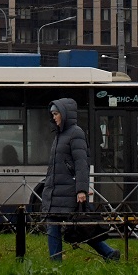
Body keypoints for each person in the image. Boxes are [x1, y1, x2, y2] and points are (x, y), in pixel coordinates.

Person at [41, 99, 119, 262]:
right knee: (62, 224)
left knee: (79, 225)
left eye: (56, 114)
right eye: (53, 114)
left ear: (64, 114)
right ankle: (109, 254)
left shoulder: (75, 133)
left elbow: (81, 163)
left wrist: (81, 190)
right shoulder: (59, 135)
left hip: (68, 190)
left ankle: (56, 262)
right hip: (57, 190)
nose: (54, 117)